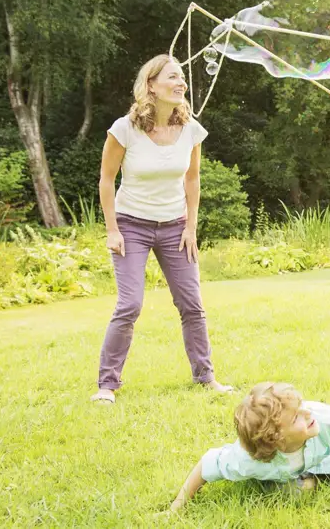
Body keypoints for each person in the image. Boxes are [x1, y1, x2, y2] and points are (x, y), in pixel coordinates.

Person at [91, 54, 232, 404]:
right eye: (172, 76)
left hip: (175, 226)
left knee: (192, 305)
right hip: (131, 224)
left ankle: (206, 378)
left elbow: (193, 178)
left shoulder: (191, 129)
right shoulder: (125, 128)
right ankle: (107, 385)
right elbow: (107, 180)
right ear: (151, 85)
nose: (180, 82)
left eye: (182, 76)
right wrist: (112, 229)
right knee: (130, 305)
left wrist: (191, 226)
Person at [166, 382, 330, 518]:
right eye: (295, 418)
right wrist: (177, 507)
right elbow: (207, 463)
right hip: (287, 470)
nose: (307, 412)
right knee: (294, 492)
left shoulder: (326, 420)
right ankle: (305, 480)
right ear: (276, 440)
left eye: (302, 405)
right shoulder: (247, 460)